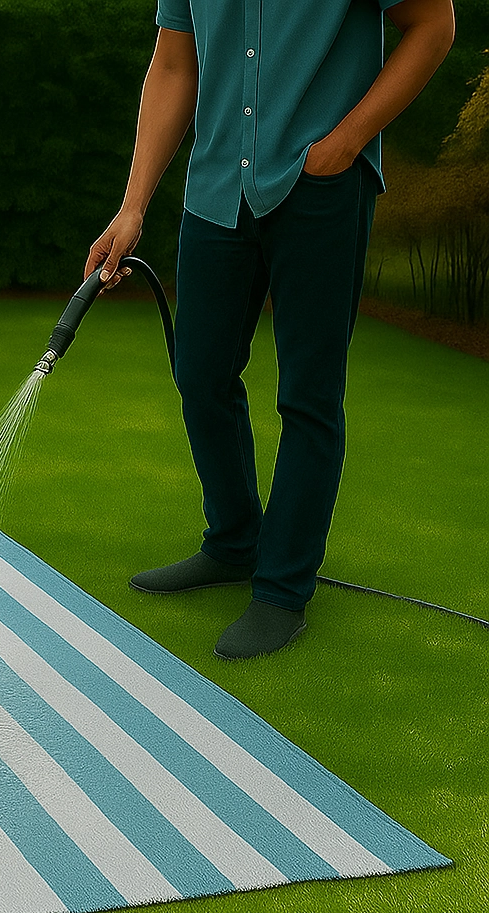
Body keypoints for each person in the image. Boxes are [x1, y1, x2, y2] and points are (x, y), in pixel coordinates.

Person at [87, 0, 455, 660]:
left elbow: (434, 24)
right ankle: (233, 543)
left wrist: (347, 141)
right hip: (217, 185)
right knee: (199, 374)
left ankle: (283, 591)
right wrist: (133, 205)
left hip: (321, 189)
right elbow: (175, 62)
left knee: (309, 394)